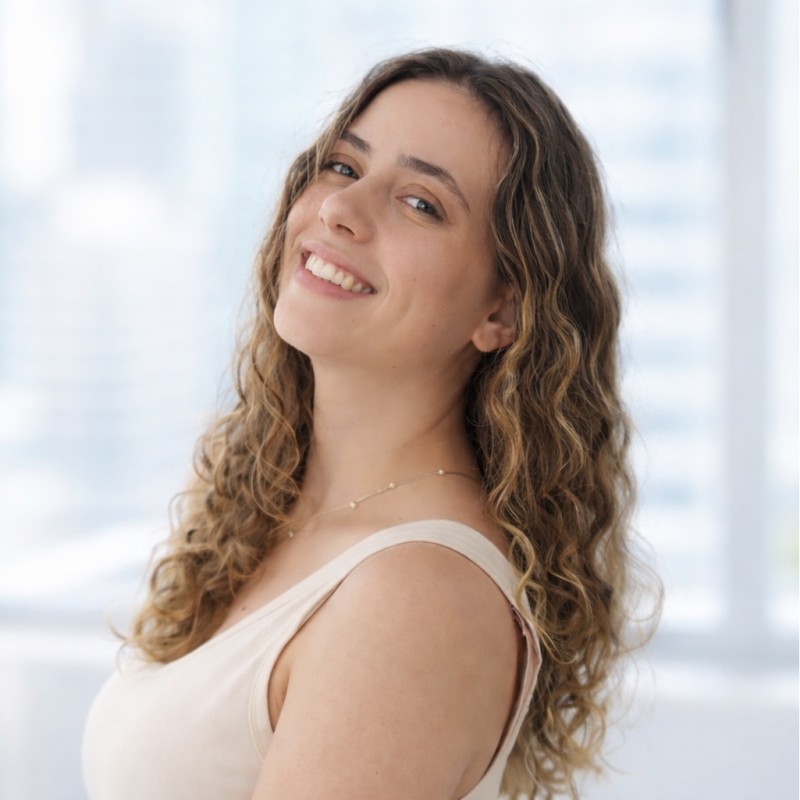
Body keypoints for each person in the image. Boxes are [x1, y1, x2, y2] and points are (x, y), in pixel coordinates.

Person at [83, 47, 654, 800]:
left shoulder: (418, 596)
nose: (340, 210)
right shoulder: (266, 506)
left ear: (503, 309)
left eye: (421, 203)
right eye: (343, 167)